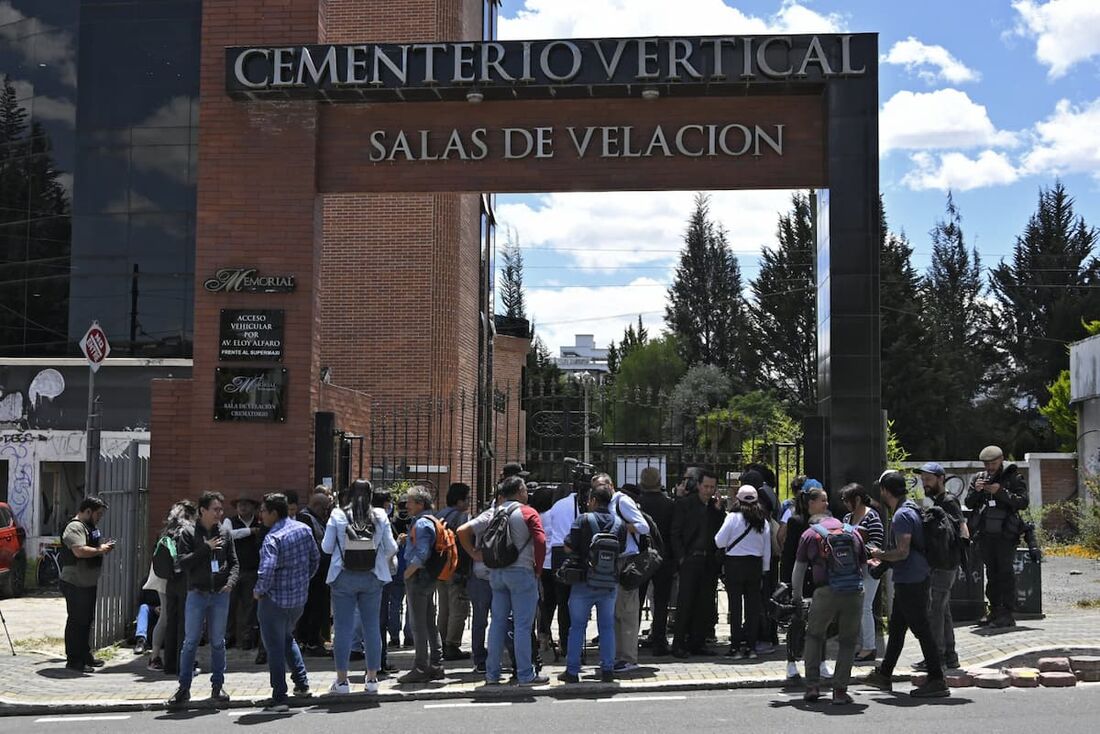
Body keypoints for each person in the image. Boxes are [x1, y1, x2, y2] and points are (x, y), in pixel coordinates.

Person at [864, 471, 950, 699]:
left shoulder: (902, 515)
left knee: (921, 629)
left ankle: (937, 679)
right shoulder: (910, 507)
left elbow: (902, 552)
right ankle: (884, 674)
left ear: (884, 490)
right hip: (910, 578)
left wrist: (879, 554)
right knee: (897, 629)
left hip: (911, 579)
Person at [461, 476, 548, 686]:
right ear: (519, 491)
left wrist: (474, 554)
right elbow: (540, 540)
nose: (527, 493)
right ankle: (526, 674)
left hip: (497, 573)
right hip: (522, 573)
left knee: (497, 623)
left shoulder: (494, 512)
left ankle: (492, 674)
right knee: (522, 626)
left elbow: (464, 530)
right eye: (525, 489)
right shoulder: (528, 512)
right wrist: (537, 568)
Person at [323, 479, 398, 695]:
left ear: (348, 494)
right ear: (372, 495)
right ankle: (372, 679)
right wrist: (374, 557)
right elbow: (391, 547)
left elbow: (327, 548)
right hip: (372, 576)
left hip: (343, 576)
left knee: (343, 629)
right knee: (372, 627)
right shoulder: (380, 515)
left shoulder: (337, 515)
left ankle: (342, 681)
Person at [792, 494, 866, 705]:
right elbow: (863, 567)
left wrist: (797, 598)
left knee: (815, 636)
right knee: (848, 641)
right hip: (853, 592)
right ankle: (840, 691)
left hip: (825, 592)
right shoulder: (853, 533)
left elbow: (798, 571)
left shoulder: (810, 534)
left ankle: (813, 686)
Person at [168, 491, 239, 709]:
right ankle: (184, 688)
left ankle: (218, 686)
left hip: (219, 595)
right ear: (202, 511)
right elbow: (182, 563)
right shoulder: (188, 533)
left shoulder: (226, 533)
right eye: (215, 509)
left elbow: (234, 562)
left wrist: (231, 582)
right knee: (190, 642)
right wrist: (205, 548)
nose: (220, 513)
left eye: (221, 509)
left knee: (218, 642)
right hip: (197, 593)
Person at [252, 492, 320, 712]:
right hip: (298, 599)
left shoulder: (273, 538)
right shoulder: (304, 529)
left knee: (274, 649)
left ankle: (279, 697)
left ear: (273, 512)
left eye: (263, 511)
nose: (260, 515)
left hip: (274, 600)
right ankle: (302, 684)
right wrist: (302, 581)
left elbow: (267, 570)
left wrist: (259, 591)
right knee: (287, 638)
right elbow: (314, 559)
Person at [558, 483, 625, 683]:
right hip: (609, 583)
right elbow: (620, 550)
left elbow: (569, 547)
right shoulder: (619, 523)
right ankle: (607, 669)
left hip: (584, 582)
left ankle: (572, 671)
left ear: (593, 501)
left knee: (577, 627)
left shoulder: (583, 520)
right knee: (606, 627)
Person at [965, 445, 1028, 628]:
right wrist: (977, 491)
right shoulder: (979, 478)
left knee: (1005, 573)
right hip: (985, 534)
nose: (990, 467)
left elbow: (1022, 502)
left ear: (1001, 460)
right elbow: (968, 503)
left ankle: (1007, 613)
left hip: (1005, 534)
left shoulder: (1013, 477)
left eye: (993, 463)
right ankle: (994, 610)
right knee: (992, 574)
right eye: (987, 464)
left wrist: (999, 491)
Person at [670, 468, 724, 658]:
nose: (708, 490)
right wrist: (682, 558)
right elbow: (675, 533)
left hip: (708, 561)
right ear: (699, 485)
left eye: (712, 487)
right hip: (690, 558)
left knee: (704, 603)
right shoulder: (685, 504)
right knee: (685, 603)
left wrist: (718, 511)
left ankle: (697, 642)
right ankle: (678, 644)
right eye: (706, 486)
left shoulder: (714, 508)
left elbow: (720, 533)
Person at [59, 496, 115, 674]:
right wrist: (101, 550)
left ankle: (85, 655)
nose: (99, 518)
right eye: (98, 514)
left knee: (86, 621)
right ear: (88, 511)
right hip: (75, 582)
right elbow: (79, 551)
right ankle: (74, 660)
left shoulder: (88, 527)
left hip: (87, 583)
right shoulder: (75, 527)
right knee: (77, 621)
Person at [714, 485, 771, 659]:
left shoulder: (732, 518)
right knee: (753, 608)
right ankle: (751, 647)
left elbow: (719, 542)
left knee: (735, 606)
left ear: (737, 499)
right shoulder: (763, 520)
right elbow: (767, 548)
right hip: (754, 565)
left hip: (735, 564)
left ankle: (735, 647)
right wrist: (765, 569)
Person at [780, 483, 830, 680]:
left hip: (820, 578)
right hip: (800, 578)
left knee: (822, 621)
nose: (826, 504)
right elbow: (788, 554)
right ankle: (792, 662)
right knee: (797, 621)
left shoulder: (828, 522)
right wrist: (787, 582)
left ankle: (822, 661)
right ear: (811, 502)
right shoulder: (796, 522)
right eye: (822, 500)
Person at [917, 463, 964, 669]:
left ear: (940, 479)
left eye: (928, 479)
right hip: (942, 563)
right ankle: (949, 655)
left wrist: (957, 557)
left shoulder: (948, 501)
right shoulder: (938, 501)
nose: (924, 483)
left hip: (945, 565)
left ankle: (936, 657)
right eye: (923, 480)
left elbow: (962, 529)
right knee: (942, 609)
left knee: (934, 610)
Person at [397, 485, 445, 683]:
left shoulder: (422, 524)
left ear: (419, 503)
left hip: (418, 578)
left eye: (409, 502)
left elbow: (422, 554)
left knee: (418, 625)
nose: (406, 505)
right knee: (428, 622)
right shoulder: (428, 520)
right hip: (428, 578)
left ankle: (421, 666)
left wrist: (408, 572)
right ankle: (436, 664)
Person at [603, 473, 649, 673]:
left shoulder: (622, 501)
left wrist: (621, 527)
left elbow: (643, 527)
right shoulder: (603, 503)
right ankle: (616, 655)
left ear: (611, 485)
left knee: (627, 611)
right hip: (610, 561)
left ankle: (629, 657)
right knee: (614, 611)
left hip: (627, 559)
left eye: (603, 485)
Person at [145, 500, 196, 672]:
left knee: (166, 617)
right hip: (179, 578)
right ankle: (180, 659)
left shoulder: (166, 530)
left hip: (162, 576)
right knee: (179, 618)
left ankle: (156, 656)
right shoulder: (186, 530)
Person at [840, 483, 885, 663]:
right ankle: (861, 644)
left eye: (846, 500)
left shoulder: (872, 517)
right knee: (855, 607)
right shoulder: (847, 518)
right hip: (853, 567)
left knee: (865, 606)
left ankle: (869, 647)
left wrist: (858, 546)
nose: (844, 504)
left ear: (856, 499)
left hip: (869, 567)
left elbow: (876, 544)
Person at [637, 467, 675, 656]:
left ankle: (630, 640)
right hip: (664, 556)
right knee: (661, 602)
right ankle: (659, 640)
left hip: (641, 557)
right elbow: (674, 532)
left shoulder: (637, 504)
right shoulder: (670, 504)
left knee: (636, 600)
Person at [221, 493, 264, 651]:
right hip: (232, 571)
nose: (243, 507)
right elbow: (226, 535)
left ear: (253, 507)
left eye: (246, 504)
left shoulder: (259, 521)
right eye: (240, 504)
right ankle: (228, 637)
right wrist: (250, 531)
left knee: (250, 606)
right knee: (229, 605)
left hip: (252, 570)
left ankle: (248, 638)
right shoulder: (229, 521)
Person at [437, 482, 472, 661]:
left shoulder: (439, 515)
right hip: (456, 568)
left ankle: (441, 643)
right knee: (459, 608)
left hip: (439, 568)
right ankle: (452, 644)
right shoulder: (462, 517)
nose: (469, 502)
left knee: (444, 608)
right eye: (467, 498)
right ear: (459, 501)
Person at [296, 488, 333, 655]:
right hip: (312, 574)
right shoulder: (305, 518)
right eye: (325, 509)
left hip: (319, 572)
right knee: (312, 608)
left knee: (317, 608)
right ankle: (310, 641)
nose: (326, 513)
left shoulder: (316, 518)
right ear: (317, 505)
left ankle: (312, 639)